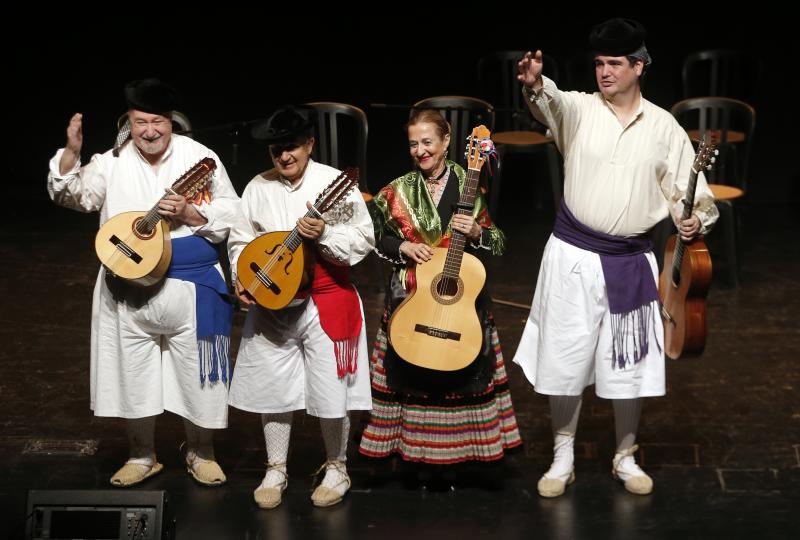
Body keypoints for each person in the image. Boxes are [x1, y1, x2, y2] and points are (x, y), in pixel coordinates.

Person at [513, 18, 719, 497]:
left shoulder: (664, 126)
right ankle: (563, 456)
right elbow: (550, 101)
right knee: (566, 358)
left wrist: (694, 220)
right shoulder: (580, 110)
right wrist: (535, 84)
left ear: (639, 66)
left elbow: (693, 193)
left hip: (629, 260)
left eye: (614, 63)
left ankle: (625, 455)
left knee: (631, 364)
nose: (604, 72)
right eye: (599, 63)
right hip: (573, 256)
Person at [47, 78, 241, 487]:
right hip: (127, 290)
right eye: (140, 123)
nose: (149, 131)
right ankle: (141, 454)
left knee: (197, 373)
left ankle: (201, 451)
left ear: (171, 121)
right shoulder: (111, 161)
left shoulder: (200, 157)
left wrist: (191, 214)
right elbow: (72, 196)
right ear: (128, 123)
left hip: (191, 288)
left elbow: (233, 213)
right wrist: (72, 154)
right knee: (132, 372)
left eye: (157, 122)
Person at [358, 109, 522, 486]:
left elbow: (498, 241)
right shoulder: (396, 190)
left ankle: (460, 460)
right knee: (411, 382)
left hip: (457, 305)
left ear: (447, 141)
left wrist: (478, 232)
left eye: (428, 142)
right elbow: (372, 238)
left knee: (459, 381)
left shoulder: (469, 182)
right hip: (413, 298)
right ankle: (413, 458)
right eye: (414, 143)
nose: (420, 150)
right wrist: (403, 247)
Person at [227, 105, 375, 509]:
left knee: (331, 389)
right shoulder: (258, 186)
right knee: (273, 388)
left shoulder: (334, 184)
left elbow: (363, 240)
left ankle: (336, 466)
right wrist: (243, 276)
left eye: (291, 147)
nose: (284, 157)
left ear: (309, 144)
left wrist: (325, 232)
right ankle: (276, 467)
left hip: (326, 297)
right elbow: (241, 239)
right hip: (273, 300)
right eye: (277, 150)